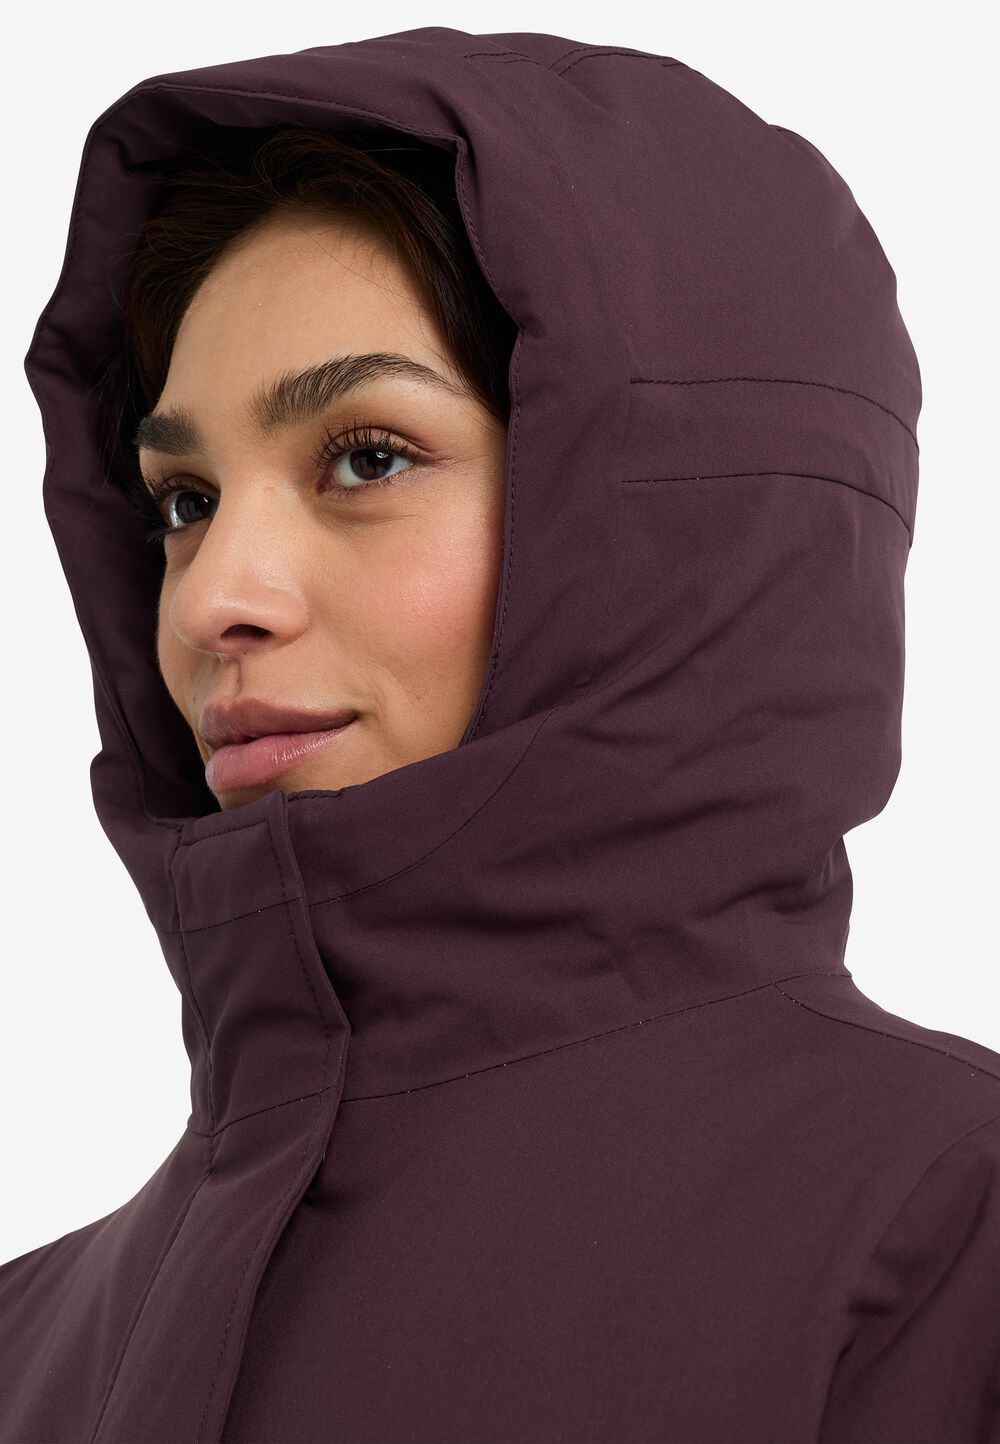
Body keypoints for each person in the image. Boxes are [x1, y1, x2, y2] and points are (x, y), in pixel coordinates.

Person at [1, 25, 998, 1444]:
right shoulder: (24, 1342)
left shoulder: (953, 1244)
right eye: (184, 502)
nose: (215, 597)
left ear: (683, 532)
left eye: (367, 459)